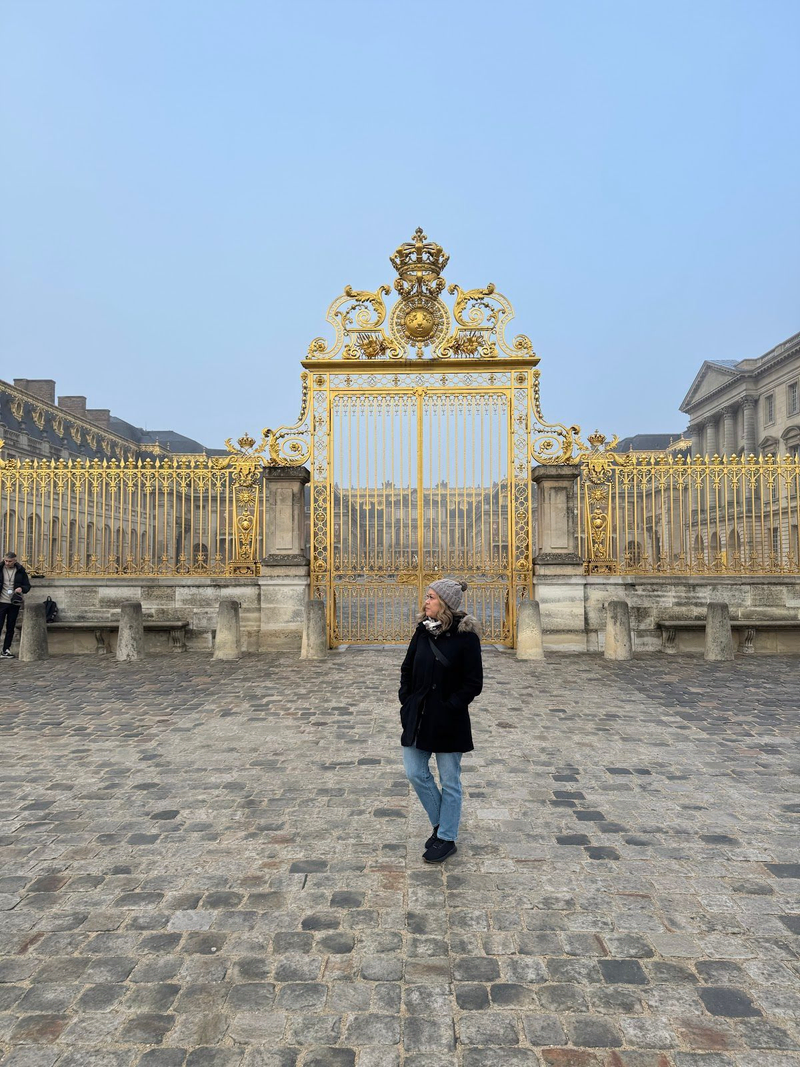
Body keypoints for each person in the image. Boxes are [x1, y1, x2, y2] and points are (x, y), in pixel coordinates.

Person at [399, 578, 483, 863]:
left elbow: (473, 683)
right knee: (414, 771)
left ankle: (446, 837)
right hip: (419, 716)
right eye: (427, 596)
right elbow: (407, 669)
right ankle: (442, 824)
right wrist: (406, 700)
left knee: (450, 780)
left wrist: (450, 707)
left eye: (431, 597)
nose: (426, 601)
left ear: (445, 603)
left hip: (449, 720)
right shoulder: (421, 633)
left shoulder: (466, 638)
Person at [0, 552, 31, 658]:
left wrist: (21, 588)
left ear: (15, 561)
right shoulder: (0, 569)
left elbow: (27, 586)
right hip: (1, 602)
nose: (7, 563)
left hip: (14, 602)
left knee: (10, 626)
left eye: (9, 561)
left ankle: (6, 649)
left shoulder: (20, 571)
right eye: (5, 561)